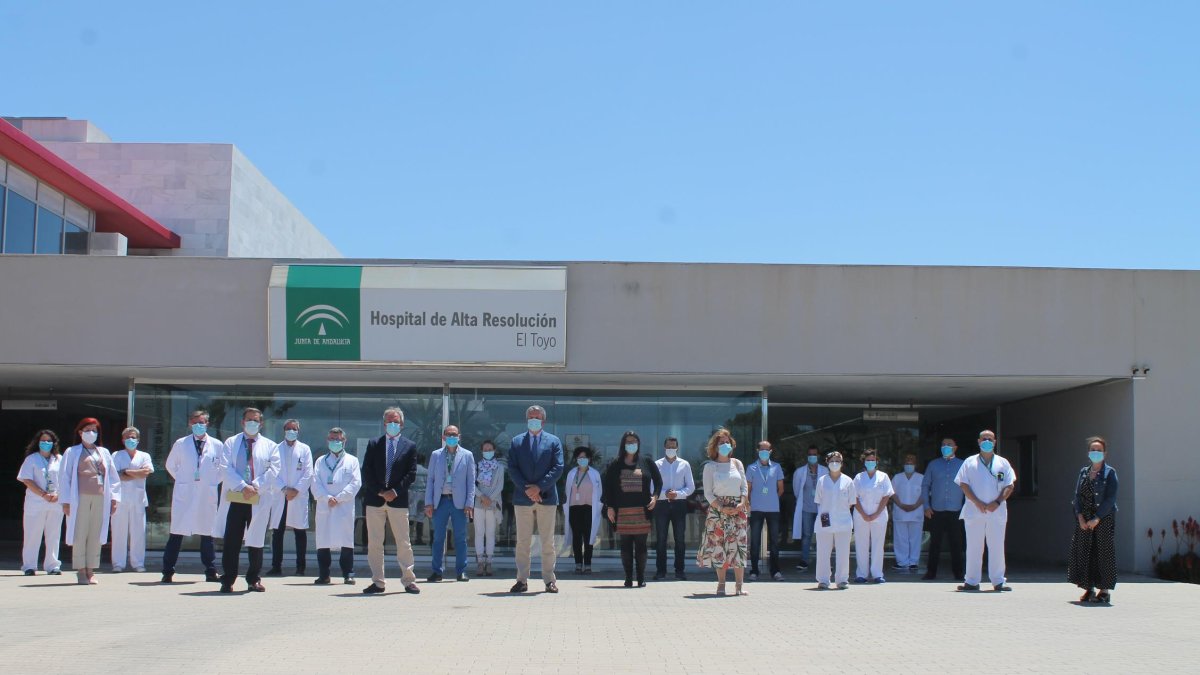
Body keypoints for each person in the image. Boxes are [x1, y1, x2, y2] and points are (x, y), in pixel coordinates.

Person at [217, 407, 281, 593]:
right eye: (249, 420)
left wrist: (255, 485)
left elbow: (274, 469)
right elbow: (225, 467)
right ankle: (228, 579)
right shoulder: (231, 442)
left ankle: (254, 579)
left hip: (258, 497)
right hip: (237, 496)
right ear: (242, 422)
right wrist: (243, 486)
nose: (252, 423)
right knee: (232, 540)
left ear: (261, 423)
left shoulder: (270, 446)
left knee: (256, 539)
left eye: (256, 420)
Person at [360, 407, 421, 595]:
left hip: (398, 500)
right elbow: (366, 471)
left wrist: (395, 491)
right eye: (389, 421)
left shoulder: (409, 446)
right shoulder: (373, 444)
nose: (392, 424)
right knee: (375, 543)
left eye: (395, 421)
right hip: (375, 500)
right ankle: (378, 582)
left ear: (401, 424)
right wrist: (380, 491)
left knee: (403, 541)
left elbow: (411, 474)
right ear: (384, 423)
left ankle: (409, 580)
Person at [508, 404, 565, 594]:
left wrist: (539, 487)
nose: (534, 420)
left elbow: (558, 467)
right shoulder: (516, 442)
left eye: (537, 417)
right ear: (526, 420)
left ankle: (549, 580)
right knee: (523, 542)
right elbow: (513, 468)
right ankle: (522, 580)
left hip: (547, 497)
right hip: (522, 498)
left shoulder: (553, 441)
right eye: (531, 417)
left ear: (543, 420)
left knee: (547, 541)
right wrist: (529, 490)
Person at [162, 410, 224, 583]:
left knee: (207, 534)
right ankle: (167, 571)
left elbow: (222, 470)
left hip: (206, 493)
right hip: (185, 492)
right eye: (195, 422)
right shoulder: (181, 443)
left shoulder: (217, 445)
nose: (199, 425)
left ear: (207, 424)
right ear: (190, 423)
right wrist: (183, 480)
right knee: (177, 533)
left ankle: (211, 571)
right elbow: (170, 465)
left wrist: (212, 482)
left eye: (202, 422)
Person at [58, 418, 121, 585]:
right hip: (79, 498)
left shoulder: (104, 452)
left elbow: (113, 477)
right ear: (80, 432)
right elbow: (64, 477)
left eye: (94, 430)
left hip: (100, 497)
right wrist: (65, 501)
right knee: (80, 533)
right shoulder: (72, 452)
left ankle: (91, 569)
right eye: (87, 430)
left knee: (96, 532)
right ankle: (80, 570)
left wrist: (114, 498)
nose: (91, 433)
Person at [955, 429, 1015, 592]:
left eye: (990, 439)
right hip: (975, 511)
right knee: (974, 546)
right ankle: (972, 581)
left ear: (995, 442)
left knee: (996, 546)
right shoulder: (969, 462)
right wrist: (977, 502)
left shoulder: (1003, 463)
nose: (987, 441)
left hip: (997, 511)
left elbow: (1009, 485)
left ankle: (998, 581)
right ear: (978, 441)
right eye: (984, 439)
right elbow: (963, 484)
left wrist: (997, 501)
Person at [604, 431, 662, 588]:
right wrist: (609, 507)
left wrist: (655, 497)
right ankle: (628, 577)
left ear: (638, 444)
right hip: (622, 511)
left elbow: (658, 481)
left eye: (634, 441)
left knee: (641, 546)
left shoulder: (647, 462)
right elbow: (607, 487)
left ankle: (641, 577)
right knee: (625, 546)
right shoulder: (615, 464)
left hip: (642, 511)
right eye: (628, 441)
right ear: (623, 444)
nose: (631, 444)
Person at [697, 428, 749, 596]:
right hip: (718, 509)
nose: (725, 445)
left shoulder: (737, 463)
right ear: (715, 446)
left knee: (738, 545)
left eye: (727, 442)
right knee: (719, 546)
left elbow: (744, 486)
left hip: (737, 509)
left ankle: (739, 586)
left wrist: (742, 502)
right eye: (721, 443)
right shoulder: (710, 467)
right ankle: (721, 584)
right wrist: (721, 507)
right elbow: (708, 492)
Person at [1069, 436, 1118, 604]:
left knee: (1103, 553)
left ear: (1105, 453)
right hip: (1085, 519)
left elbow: (1110, 499)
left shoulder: (1110, 472)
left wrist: (1097, 518)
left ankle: (1104, 591)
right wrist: (1080, 517)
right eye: (1093, 450)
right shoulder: (1083, 472)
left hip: (1102, 518)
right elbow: (1077, 496)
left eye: (1099, 450)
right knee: (1084, 552)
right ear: (1088, 453)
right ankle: (1088, 588)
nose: (1096, 453)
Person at [425, 425, 476, 582]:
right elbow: (431, 480)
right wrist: (428, 502)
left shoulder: (467, 455)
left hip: (459, 503)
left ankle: (461, 571)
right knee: (438, 538)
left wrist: (469, 503)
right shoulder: (436, 455)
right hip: (440, 501)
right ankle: (437, 571)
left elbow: (471, 481)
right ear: (443, 437)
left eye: (454, 434)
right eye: (449, 434)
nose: (452, 437)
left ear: (459, 436)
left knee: (460, 538)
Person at [311, 427, 361, 585]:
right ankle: (324, 575)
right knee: (323, 540)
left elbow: (356, 483)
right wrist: (327, 498)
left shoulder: (352, 461)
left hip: (343, 507)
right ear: (327, 441)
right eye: (332, 439)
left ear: (344, 441)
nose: (335, 442)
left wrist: (338, 498)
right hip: (325, 506)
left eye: (338, 439)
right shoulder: (320, 461)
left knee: (346, 540)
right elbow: (315, 483)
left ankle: (348, 574)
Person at [266, 418, 313, 577]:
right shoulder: (275, 449)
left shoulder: (305, 449)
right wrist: (285, 489)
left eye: (294, 429)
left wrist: (296, 490)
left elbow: (308, 473)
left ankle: (301, 568)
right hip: (280, 495)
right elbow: (272, 472)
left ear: (298, 431)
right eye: (288, 428)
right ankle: (276, 566)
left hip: (298, 496)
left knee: (300, 533)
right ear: (284, 430)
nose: (291, 431)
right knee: (277, 533)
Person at [16, 430, 64, 576]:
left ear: (54, 443)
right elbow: (26, 479)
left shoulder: (59, 459)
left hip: (55, 502)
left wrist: (58, 494)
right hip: (36, 501)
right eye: (43, 441)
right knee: (32, 534)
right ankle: (29, 566)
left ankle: (52, 565)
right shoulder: (31, 459)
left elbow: (65, 479)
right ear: (38, 442)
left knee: (54, 534)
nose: (46, 444)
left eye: (49, 441)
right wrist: (43, 494)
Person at [921, 438, 965, 581]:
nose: (946, 447)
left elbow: (969, 486)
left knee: (956, 543)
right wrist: (926, 506)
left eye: (949, 445)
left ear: (955, 447)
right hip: (936, 510)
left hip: (956, 510)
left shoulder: (963, 465)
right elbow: (925, 485)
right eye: (943, 445)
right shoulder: (933, 465)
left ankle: (958, 573)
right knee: (935, 543)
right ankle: (931, 572)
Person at [111, 426, 154, 572]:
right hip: (120, 498)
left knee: (138, 532)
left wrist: (127, 472)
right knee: (119, 532)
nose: (131, 440)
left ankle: (138, 563)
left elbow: (146, 473)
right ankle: (118, 563)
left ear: (138, 440)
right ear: (123, 440)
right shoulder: (116, 455)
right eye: (128, 437)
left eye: (133, 437)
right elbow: (116, 475)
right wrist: (136, 473)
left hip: (138, 498)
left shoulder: (144, 456)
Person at [653, 436, 694, 580]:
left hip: (679, 504)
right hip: (662, 505)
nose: (671, 449)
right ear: (664, 447)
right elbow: (652, 486)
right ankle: (661, 571)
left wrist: (677, 494)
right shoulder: (657, 464)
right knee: (661, 538)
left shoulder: (685, 464)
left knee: (680, 539)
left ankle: (680, 570)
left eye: (673, 447)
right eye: (668, 446)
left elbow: (690, 487)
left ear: (677, 448)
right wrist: (665, 494)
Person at [814, 451, 856, 590]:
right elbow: (819, 501)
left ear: (842, 463)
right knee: (823, 552)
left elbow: (851, 502)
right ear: (827, 462)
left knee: (843, 552)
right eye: (832, 460)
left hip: (843, 521)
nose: (834, 463)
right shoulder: (822, 481)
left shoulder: (848, 481)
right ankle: (823, 580)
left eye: (837, 460)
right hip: (825, 520)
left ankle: (842, 580)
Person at [852, 449, 894, 584]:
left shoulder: (884, 476)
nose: (871, 462)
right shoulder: (859, 477)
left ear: (877, 462)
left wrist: (876, 514)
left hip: (879, 514)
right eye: (868, 460)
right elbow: (854, 497)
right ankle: (861, 574)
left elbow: (886, 496)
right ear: (864, 462)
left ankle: (877, 574)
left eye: (873, 460)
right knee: (861, 544)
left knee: (878, 544)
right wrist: (864, 514)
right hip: (861, 514)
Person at [746, 440, 785, 582]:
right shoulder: (751, 468)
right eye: (761, 449)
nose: (764, 452)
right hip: (756, 509)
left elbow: (780, 489)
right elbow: (748, 489)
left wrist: (771, 499)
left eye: (767, 450)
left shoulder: (776, 467)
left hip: (773, 509)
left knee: (774, 541)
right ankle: (754, 571)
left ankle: (775, 571)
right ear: (757, 451)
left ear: (770, 451)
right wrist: (753, 501)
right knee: (755, 541)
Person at [563, 446, 602, 575]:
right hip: (574, 508)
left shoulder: (594, 474)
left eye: (585, 457)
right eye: (580, 457)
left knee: (588, 537)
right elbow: (567, 491)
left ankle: (588, 564)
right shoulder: (572, 473)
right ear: (576, 459)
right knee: (576, 537)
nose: (582, 459)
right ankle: (578, 564)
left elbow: (600, 492)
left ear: (589, 459)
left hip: (589, 509)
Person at [791, 445, 828, 572]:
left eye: (815, 454)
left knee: (824, 534)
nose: (812, 457)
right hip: (806, 509)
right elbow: (796, 490)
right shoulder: (800, 472)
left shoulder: (825, 471)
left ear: (818, 456)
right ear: (807, 456)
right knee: (806, 535)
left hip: (823, 510)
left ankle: (824, 561)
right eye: (810, 454)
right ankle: (804, 560)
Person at [473, 440, 504, 577]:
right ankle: (480, 562)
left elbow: (500, 486)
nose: (487, 451)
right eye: (485, 449)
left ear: (494, 450)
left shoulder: (499, 467)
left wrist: (489, 498)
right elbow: (471, 484)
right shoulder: (476, 466)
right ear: (482, 451)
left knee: (490, 533)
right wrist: (481, 496)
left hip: (493, 503)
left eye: (490, 449)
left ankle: (489, 562)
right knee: (479, 532)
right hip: (479, 503)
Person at [890, 453, 925, 571]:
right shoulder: (897, 477)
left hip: (916, 512)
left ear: (916, 464)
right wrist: (901, 505)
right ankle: (902, 562)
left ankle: (913, 562)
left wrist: (915, 506)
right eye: (907, 462)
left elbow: (924, 494)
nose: (909, 464)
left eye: (911, 462)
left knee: (915, 539)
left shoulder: (921, 477)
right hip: (900, 511)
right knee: (900, 539)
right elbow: (892, 493)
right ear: (903, 464)